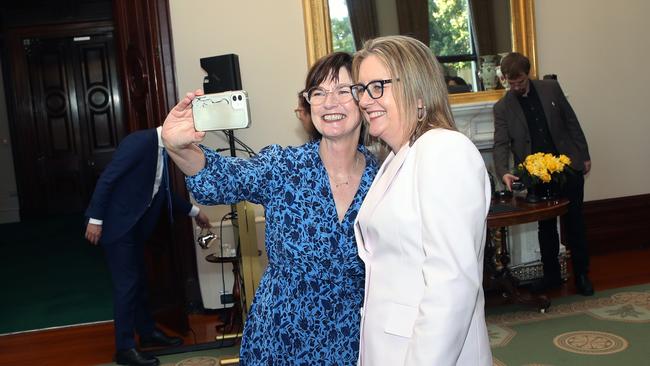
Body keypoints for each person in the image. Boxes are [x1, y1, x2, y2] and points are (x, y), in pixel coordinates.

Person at [161, 52, 378, 365]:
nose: (330, 102)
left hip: (353, 339)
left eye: (343, 90)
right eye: (318, 92)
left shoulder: (382, 175)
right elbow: (223, 178)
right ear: (309, 104)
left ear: (363, 99)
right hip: (281, 336)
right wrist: (178, 147)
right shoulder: (284, 166)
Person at [351, 35, 492, 365]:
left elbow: (451, 282)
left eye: (378, 87)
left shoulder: (444, 149)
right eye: (361, 89)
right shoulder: (398, 157)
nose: (365, 100)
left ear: (417, 89)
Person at [85, 127, 211, 366]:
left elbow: (162, 193)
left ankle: (147, 332)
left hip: (134, 228)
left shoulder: (164, 152)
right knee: (127, 286)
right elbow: (108, 178)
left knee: (140, 281)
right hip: (115, 226)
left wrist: (195, 212)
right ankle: (124, 349)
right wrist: (95, 219)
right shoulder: (139, 142)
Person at [493, 52, 594, 296]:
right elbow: (500, 144)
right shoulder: (502, 108)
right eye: (511, 83)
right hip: (536, 174)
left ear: (529, 74)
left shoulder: (551, 89)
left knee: (575, 223)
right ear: (505, 79)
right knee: (545, 226)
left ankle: (581, 275)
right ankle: (551, 276)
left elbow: (571, 122)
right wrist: (505, 172)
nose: (516, 87)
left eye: (521, 82)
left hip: (566, 167)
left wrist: (584, 154)